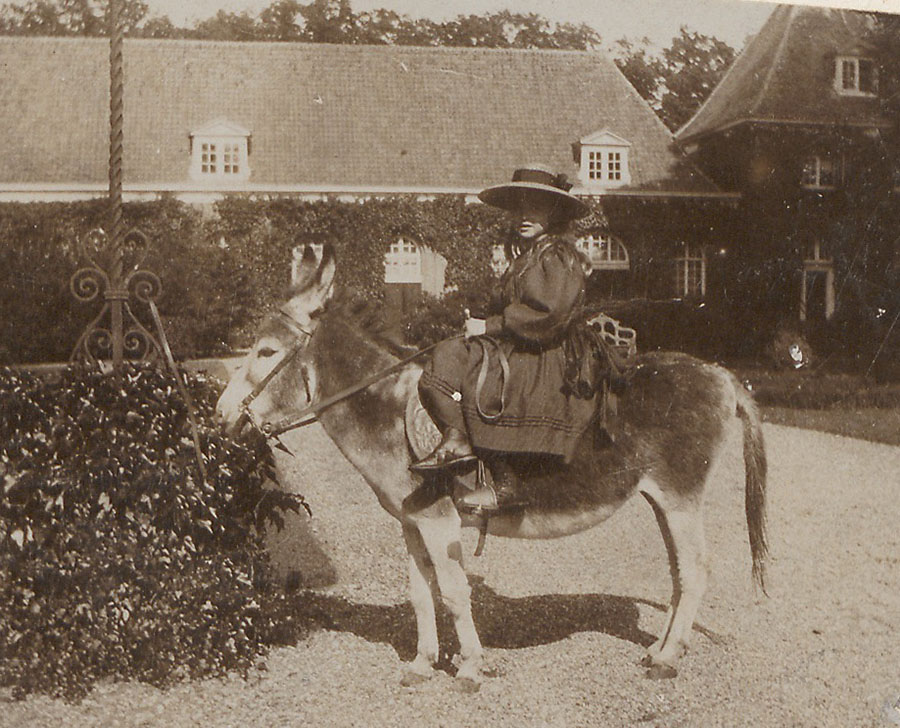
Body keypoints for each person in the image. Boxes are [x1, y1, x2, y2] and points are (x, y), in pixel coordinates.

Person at [410, 164, 602, 515]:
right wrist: (482, 323)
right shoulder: (530, 255)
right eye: (519, 207)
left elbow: (551, 313)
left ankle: (506, 481)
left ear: (555, 211)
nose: (524, 215)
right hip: (521, 340)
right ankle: (457, 438)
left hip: (546, 348)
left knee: (483, 377)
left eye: (535, 207)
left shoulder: (558, 255)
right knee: (448, 357)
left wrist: (492, 327)